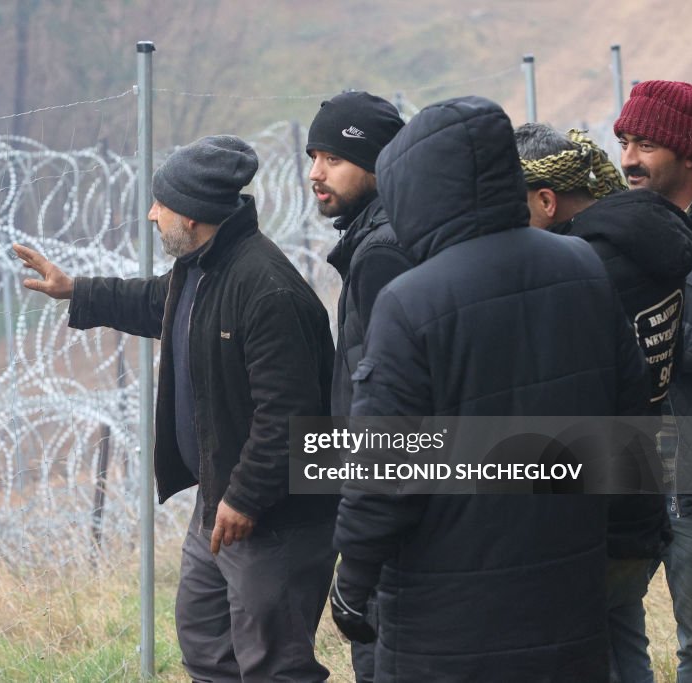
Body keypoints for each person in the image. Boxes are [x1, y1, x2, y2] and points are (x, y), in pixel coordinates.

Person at [331, 96, 648, 682]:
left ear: (417, 189)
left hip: (445, 617)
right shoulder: (582, 266)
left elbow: (385, 472)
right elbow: (631, 424)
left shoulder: (412, 300)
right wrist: (629, 542)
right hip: (567, 591)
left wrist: (352, 582)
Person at [13, 135, 338, 682]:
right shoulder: (204, 268)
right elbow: (158, 303)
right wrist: (77, 290)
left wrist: (244, 497)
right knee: (207, 645)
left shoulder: (264, 290)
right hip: (222, 500)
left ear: (192, 217)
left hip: (271, 517)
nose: (151, 214)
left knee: (274, 665)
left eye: (161, 204)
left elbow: (288, 415)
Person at [516, 122, 692, 683]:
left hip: (608, 484)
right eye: (624, 145)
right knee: (627, 630)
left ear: (546, 200)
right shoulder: (637, 241)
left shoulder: (582, 269)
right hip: (644, 475)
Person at [304, 90, 409, 683]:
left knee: (381, 647)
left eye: (333, 159)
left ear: (377, 164)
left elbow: (388, 405)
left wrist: (366, 522)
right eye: (312, 156)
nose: (317, 174)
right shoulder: (375, 239)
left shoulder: (384, 252)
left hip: (387, 491)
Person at [615, 79, 692, 681]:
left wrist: (653, 344)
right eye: (623, 141)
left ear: (688, 152)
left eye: (645, 143)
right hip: (641, 473)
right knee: (602, 618)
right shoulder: (628, 234)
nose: (628, 160)